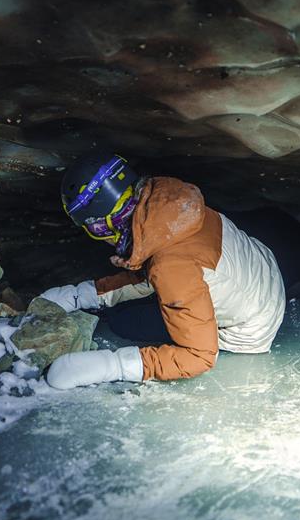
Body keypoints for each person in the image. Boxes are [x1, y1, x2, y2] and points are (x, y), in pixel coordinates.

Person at [39, 153, 285, 388]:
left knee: (124, 322)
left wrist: (112, 366)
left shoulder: (171, 267)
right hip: (263, 274)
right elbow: (157, 267)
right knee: (156, 294)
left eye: (96, 230)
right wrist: (82, 294)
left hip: (251, 328)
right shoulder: (167, 204)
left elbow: (199, 356)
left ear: (107, 224)